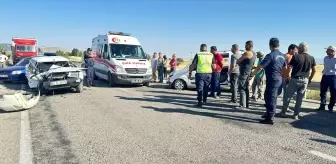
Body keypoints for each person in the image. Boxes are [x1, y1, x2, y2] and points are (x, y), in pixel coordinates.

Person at [250, 38, 286, 124]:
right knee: (267, 96)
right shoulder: (282, 55)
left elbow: (260, 67)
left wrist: (252, 75)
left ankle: (270, 118)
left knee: (271, 98)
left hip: (273, 79)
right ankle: (268, 113)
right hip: (279, 79)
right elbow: (285, 68)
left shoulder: (270, 55)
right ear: (278, 45)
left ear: (270, 46)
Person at [278, 42, 316, 119]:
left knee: (288, 96)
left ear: (301, 49)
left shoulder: (296, 57)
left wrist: (288, 77)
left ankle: (283, 112)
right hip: (305, 79)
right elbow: (314, 70)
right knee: (299, 98)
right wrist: (310, 79)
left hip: (295, 79)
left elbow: (290, 68)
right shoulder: (311, 58)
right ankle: (295, 114)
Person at [236, 41, 257, 108]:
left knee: (242, 88)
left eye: (245, 45)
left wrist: (240, 62)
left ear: (248, 45)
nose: (245, 47)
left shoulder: (247, 53)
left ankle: (242, 105)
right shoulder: (254, 53)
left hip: (244, 73)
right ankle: (246, 104)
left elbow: (238, 61)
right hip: (248, 72)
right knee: (246, 89)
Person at [317, 45, 336, 113]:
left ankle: (330, 107)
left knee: (333, 93)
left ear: (332, 51)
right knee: (323, 92)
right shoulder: (325, 58)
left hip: (333, 77)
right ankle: (322, 106)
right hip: (325, 76)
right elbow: (326, 67)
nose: (326, 51)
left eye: (328, 50)